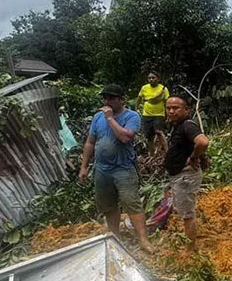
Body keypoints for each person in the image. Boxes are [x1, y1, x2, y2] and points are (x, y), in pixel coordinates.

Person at [79, 84, 155, 253]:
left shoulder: (132, 116)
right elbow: (90, 142)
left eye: (112, 98)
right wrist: (83, 167)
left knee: (132, 203)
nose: (107, 101)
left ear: (122, 100)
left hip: (124, 169)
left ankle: (143, 240)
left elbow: (124, 137)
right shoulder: (97, 117)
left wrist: (110, 118)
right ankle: (115, 238)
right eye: (105, 98)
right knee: (109, 205)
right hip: (102, 169)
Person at [164, 96, 209, 245]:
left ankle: (191, 248)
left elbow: (203, 142)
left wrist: (194, 157)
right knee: (186, 212)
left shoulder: (187, 125)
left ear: (186, 110)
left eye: (175, 108)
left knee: (188, 215)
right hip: (181, 176)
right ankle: (190, 242)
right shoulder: (177, 126)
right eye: (168, 108)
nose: (171, 111)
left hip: (185, 177)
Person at [136, 72, 169, 154]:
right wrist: (136, 108)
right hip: (147, 114)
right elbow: (139, 98)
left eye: (153, 78)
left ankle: (167, 151)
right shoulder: (144, 88)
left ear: (158, 79)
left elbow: (167, 101)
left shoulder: (163, 89)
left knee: (159, 132)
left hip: (159, 114)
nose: (151, 79)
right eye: (149, 78)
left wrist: (167, 113)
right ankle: (151, 153)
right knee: (149, 136)